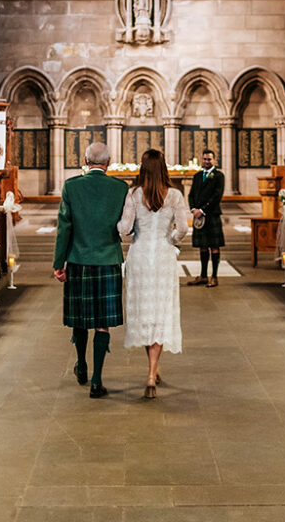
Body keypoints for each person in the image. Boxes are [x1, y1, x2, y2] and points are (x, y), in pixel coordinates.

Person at [52, 142, 128, 399]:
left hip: (78, 259)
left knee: (81, 317)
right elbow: (124, 227)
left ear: (85, 160)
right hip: (108, 260)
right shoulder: (120, 188)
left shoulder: (72, 186)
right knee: (102, 322)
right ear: (109, 162)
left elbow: (65, 227)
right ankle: (97, 380)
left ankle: (81, 364)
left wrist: (58, 263)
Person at [117, 149, 188, 398]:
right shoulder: (176, 195)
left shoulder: (134, 194)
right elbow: (183, 229)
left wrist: (115, 224)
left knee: (144, 311)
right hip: (163, 256)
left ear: (143, 168)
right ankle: (152, 371)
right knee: (161, 311)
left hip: (139, 257)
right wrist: (169, 238)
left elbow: (124, 229)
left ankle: (151, 370)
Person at [187, 149, 225, 287]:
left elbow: (217, 196)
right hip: (199, 216)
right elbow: (191, 195)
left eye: (209, 159)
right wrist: (193, 209)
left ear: (214, 160)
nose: (206, 161)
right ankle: (203, 276)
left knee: (214, 247)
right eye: (204, 159)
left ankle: (214, 276)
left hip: (211, 215)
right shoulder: (197, 176)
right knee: (202, 247)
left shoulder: (218, 176)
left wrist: (202, 210)